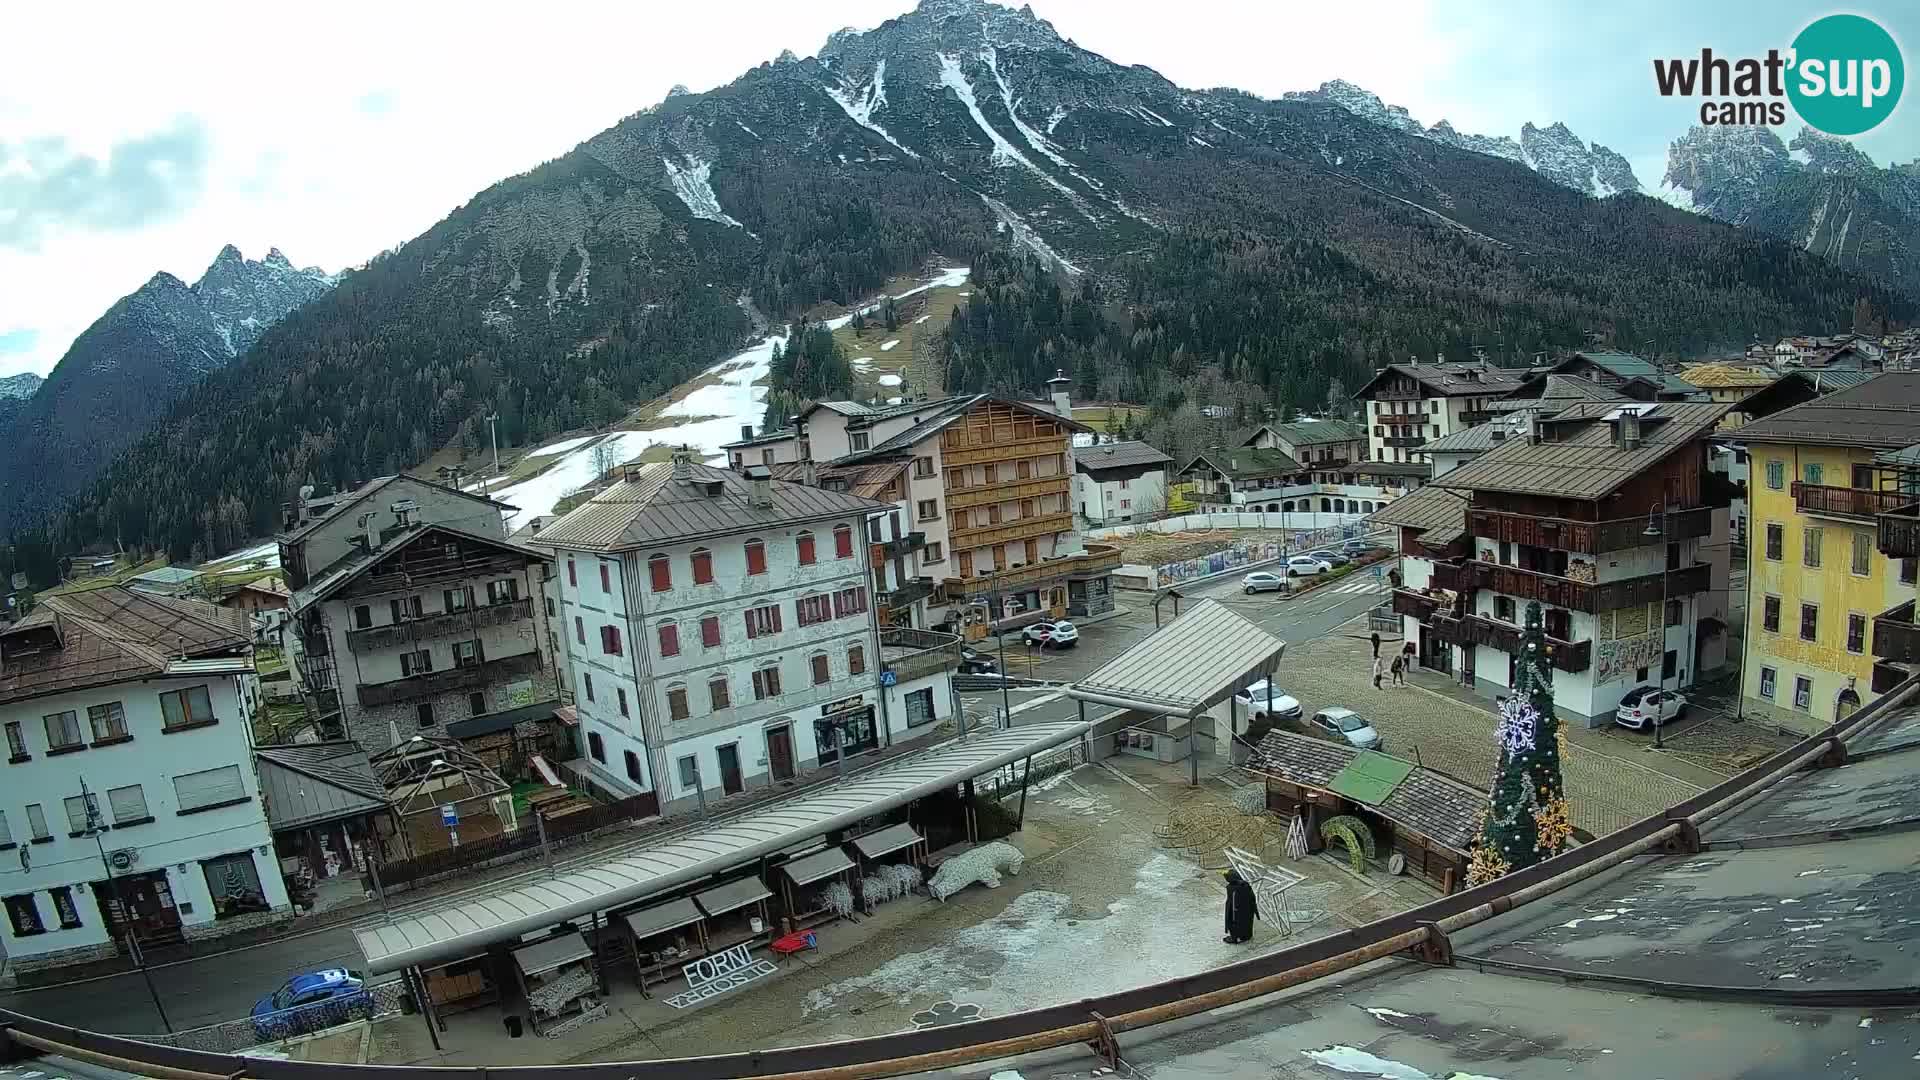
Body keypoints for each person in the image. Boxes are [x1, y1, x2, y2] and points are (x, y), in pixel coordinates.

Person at [1222, 869, 1258, 944]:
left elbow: (1230, 906)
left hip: (1236, 912)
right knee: (1247, 920)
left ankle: (1234, 937)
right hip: (1248, 911)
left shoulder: (1231, 888)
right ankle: (1247, 936)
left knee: (1234, 920)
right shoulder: (1246, 885)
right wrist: (1255, 911)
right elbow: (1253, 899)